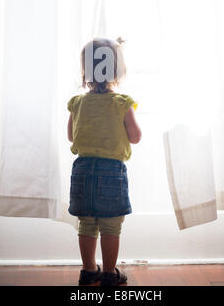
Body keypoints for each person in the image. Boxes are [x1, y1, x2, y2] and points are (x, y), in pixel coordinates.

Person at [67, 37, 142, 286]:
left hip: (82, 169)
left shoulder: (77, 103)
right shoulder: (122, 103)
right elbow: (135, 137)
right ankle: (110, 273)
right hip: (112, 171)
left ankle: (89, 270)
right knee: (111, 226)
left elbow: (71, 136)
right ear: (117, 70)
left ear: (85, 70)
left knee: (87, 223)